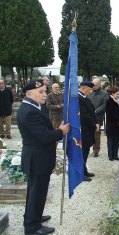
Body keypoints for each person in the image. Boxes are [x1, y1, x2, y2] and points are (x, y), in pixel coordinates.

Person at [16, 79, 70, 235]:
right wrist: (61, 131)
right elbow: (45, 136)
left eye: (44, 91)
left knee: (37, 191)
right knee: (36, 192)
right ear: (29, 93)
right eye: (41, 92)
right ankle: (32, 227)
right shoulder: (28, 111)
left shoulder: (35, 107)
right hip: (36, 159)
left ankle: (34, 217)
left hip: (40, 157)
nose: (44, 94)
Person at [78, 81, 99, 181]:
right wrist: (94, 125)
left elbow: (92, 112)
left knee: (85, 151)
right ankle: (80, 173)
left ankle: (84, 169)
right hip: (83, 130)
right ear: (84, 88)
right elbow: (85, 116)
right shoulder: (79, 98)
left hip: (87, 129)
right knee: (82, 152)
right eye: (90, 90)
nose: (91, 92)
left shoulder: (84, 97)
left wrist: (96, 122)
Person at [88, 78, 108, 157]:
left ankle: (96, 150)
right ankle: (88, 148)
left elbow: (105, 104)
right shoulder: (89, 93)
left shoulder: (104, 94)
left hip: (98, 117)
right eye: (92, 85)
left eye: (95, 85)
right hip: (89, 116)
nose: (93, 86)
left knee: (96, 134)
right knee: (88, 134)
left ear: (100, 84)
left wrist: (97, 111)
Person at [106, 86, 119, 161]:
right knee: (111, 140)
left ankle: (115, 154)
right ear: (113, 94)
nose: (118, 96)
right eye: (117, 94)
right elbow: (110, 114)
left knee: (117, 140)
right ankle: (110, 155)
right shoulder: (109, 102)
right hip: (112, 124)